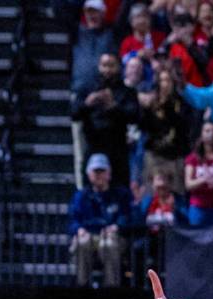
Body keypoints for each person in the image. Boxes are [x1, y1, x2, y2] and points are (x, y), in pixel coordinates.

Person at [71, 52, 139, 189]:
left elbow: (134, 116)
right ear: (99, 67)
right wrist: (88, 103)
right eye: (104, 65)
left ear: (118, 67)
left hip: (117, 149)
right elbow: (74, 114)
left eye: (111, 66)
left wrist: (113, 106)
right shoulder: (87, 88)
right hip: (93, 147)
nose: (107, 70)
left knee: (119, 190)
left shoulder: (127, 92)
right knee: (90, 189)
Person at [68, 153, 134, 287]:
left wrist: (117, 226)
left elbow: (128, 216)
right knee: (82, 243)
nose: (98, 175)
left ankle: (111, 288)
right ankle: (82, 286)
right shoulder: (81, 196)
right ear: (89, 174)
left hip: (112, 237)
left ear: (109, 173)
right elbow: (73, 220)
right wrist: (79, 229)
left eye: (102, 171)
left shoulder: (121, 194)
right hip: (88, 235)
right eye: (95, 171)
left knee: (107, 244)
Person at [139, 66, 194, 192]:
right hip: (155, 155)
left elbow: (185, 127)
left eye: (168, 80)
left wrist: (168, 107)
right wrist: (146, 109)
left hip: (176, 156)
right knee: (154, 196)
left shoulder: (182, 103)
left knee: (178, 197)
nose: (165, 84)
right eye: (162, 80)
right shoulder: (151, 103)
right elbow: (143, 126)